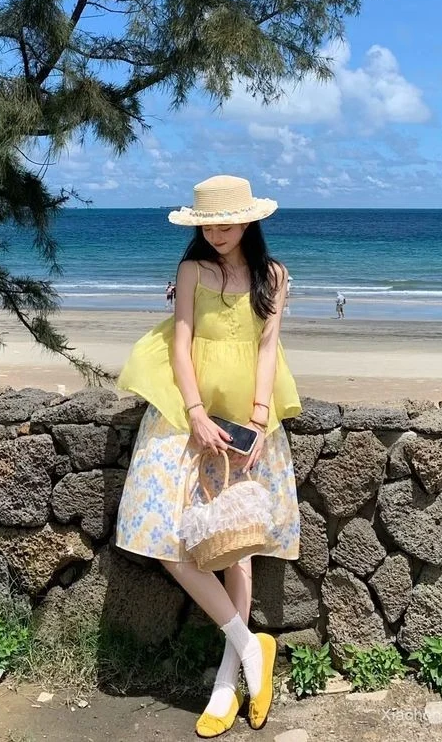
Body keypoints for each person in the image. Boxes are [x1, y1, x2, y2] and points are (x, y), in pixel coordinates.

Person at [116, 174, 301, 738]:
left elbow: (269, 349)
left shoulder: (273, 276)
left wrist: (260, 420)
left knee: (234, 539)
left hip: (245, 415)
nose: (218, 232)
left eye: (226, 222)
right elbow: (180, 342)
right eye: (208, 224)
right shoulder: (192, 270)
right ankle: (251, 648)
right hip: (186, 412)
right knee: (169, 538)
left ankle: (227, 681)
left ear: (248, 220)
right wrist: (194, 412)